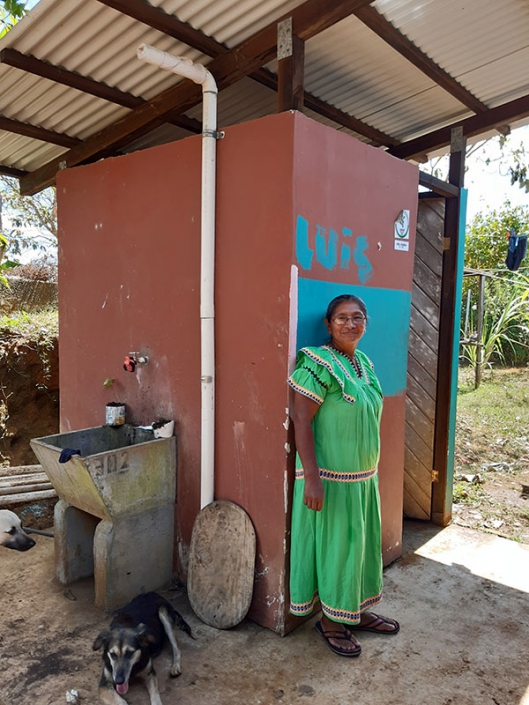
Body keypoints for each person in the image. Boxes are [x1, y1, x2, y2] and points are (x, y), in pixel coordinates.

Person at [288, 294, 399, 657]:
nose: (350, 324)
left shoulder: (363, 362)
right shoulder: (318, 365)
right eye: (342, 318)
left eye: (357, 317)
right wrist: (312, 478)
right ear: (329, 324)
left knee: (360, 548)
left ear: (366, 322)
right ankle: (331, 621)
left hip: (362, 481)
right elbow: (301, 419)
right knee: (337, 550)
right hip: (330, 482)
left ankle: (354, 611)